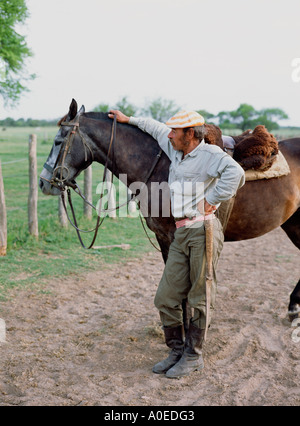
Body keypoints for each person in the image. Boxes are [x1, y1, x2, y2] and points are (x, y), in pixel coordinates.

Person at [108, 109, 245, 379]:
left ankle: (193, 356)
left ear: (190, 134)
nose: (168, 135)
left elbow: (236, 173)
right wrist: (128, 120)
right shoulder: (176, 150)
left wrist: (213, 197)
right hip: (181, 232)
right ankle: (175, 351)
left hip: (203, 229)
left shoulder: (210, 156)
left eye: (175, 132)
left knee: (199, 296)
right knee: (166, 298)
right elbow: (156, 127)